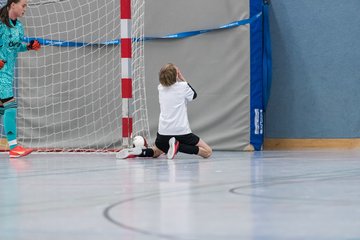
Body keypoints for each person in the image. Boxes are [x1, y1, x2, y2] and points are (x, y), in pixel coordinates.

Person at [117, 63, 212, 159]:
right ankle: (178, 146)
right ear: (176, 75)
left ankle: (139, 152)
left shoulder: (160, 88)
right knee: (208, 152)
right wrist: (182, 78)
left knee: (156, 151)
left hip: (163, 133)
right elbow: (193, 95)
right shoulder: (183, 86)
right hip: (182, 132)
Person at [0, 0, 41, 158]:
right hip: (1, 73)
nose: (25, 8)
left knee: (3, 109)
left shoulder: (19, 27)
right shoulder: (0, 24)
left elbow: (15, 47)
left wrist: (29, 46)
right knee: (11, 107)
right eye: (23, 5)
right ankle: (14, 147)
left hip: (8, 73)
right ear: (12, 5)